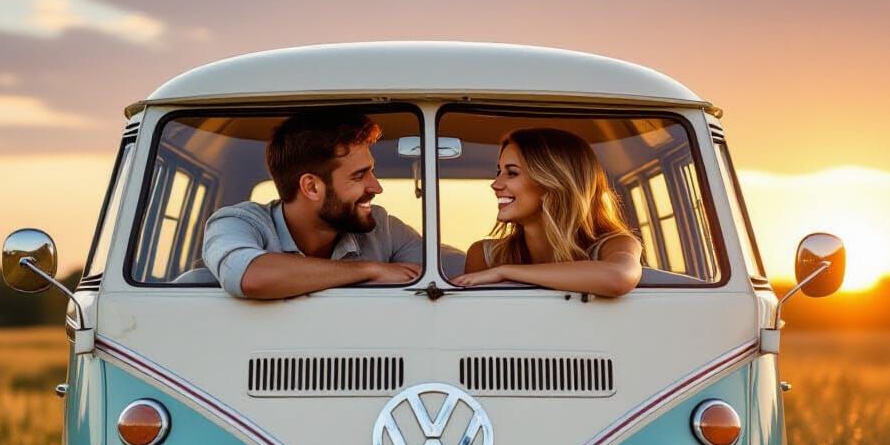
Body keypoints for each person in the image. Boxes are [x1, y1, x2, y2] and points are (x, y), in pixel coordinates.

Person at [203, 109, 422, 299]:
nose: (376, 187)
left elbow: (436, 273)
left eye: (371, 171)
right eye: (359, 176)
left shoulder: (383, 228)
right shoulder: (237, 223)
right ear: (311, 187)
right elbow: (249, 275)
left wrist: (456, 275)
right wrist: (370, 270)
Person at [455, 127, 642, 297]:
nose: (495, 184)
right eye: (499, 172)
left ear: (551, 183)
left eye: (512, 173)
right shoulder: (485, 254)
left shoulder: (615, 244)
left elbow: (619, 277)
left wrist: (504, 272)